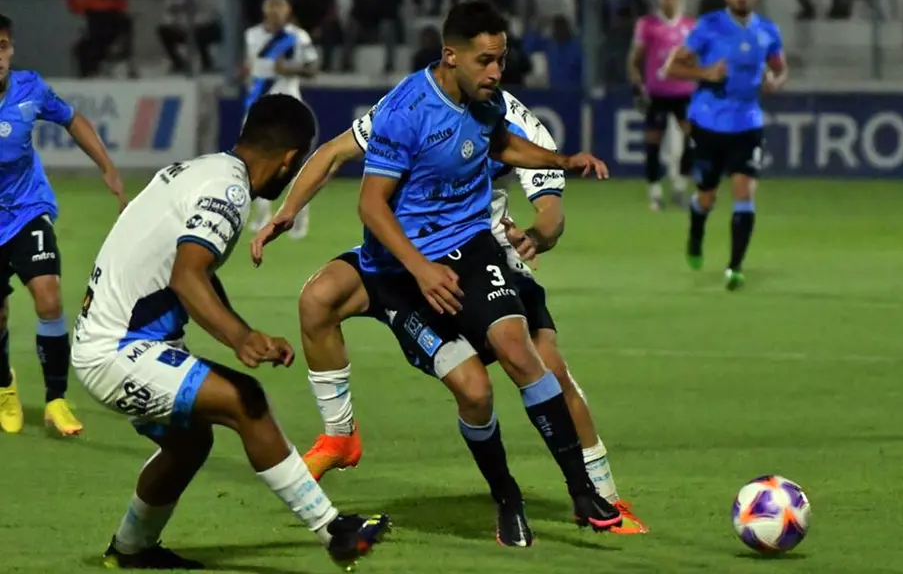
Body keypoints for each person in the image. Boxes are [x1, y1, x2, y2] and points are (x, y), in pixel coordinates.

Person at [250, 91, 649, 538]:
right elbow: (333, 152)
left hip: (486, 255)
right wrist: (285, 214)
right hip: (402, 258)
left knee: (545, 365)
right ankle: (340, 435)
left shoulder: (516, 123)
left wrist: (536, 236)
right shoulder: (412, 105)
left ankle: (604, 497)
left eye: (496, 61)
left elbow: (550, 211)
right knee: (318, 298)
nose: (491, 71)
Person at [69, 94, 389, 570]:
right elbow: (187, 276)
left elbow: (194, 270)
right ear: (289, 161)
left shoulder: (205, 170)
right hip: (118, 350)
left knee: (190, 442)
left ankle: (131, 548)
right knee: (246, 400)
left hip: (108, 339)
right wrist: (241, 338)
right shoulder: (230, 193)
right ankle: (333, 530)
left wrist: (243, 328)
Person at [356, 0, 622, 543]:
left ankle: (582, 493)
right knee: (475, 392)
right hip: (405, 270)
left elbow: (501, 144)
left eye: (501, 59)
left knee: (521, 350)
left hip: (471, 245)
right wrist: (421, 269)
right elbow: (371, 205)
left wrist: (561, 160)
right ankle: (507, 498)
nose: (497, 72)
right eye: (485, 60)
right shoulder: (405, 111)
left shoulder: (485, 99)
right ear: (450, 56)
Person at [0, 13, 126, 436]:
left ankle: (56, 398)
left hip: (27, 210)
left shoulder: (29, 89)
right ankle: (5, 387)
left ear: (11, 49)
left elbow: (72, 119)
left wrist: (106, 166)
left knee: (49, 298)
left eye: (2, 46)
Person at [664, 0, 787, 290]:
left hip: (748, 123)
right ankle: (696, 229)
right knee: (706, 197)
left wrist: (775, 80)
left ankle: (735, 267)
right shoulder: (709, 26)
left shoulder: (768, 31)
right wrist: (705, 73)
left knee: (744, 193)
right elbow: (673, 67)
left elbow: (780, 67)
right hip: (708, 123)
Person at [241, 0, 318, 238]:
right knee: (253, 160)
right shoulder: (251, 35)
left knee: (293, 163)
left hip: (288, 107)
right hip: (259, 105)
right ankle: (261, 213)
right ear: (264, 9)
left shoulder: (297, 37)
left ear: (287, 10)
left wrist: (289, 68)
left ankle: (299, 216)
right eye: (270, 5)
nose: (274, 11)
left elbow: (313, 68)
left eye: (280, 6)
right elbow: (250, 65)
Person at [628, 0, 696, 211]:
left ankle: (679, 187)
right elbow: (635, 60)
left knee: (694, 140)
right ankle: (655, 193)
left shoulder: (690, 26)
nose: (669, 1)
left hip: (684, 93)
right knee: (653, 144)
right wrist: (637, 87)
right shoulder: (647, 25)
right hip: (657, 94)